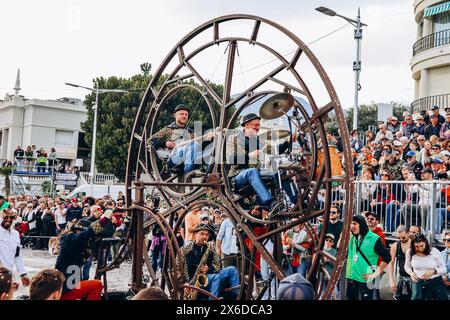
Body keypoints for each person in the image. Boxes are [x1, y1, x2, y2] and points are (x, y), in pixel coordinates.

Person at [226, 113, 297, 213]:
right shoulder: (234, 138)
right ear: (246, 125)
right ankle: (271, 203)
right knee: (252, 171)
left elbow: (274, 150)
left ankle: (296, 200)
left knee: (278, 171)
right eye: (255, 125)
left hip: (255, 174)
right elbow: (230, 159)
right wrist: (250, 155)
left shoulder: (258, 140)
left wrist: (288, 142)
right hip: (237, 176)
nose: (257, 127)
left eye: (258, 125)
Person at [55, 214, 112, 300]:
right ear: (77, 230)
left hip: (72, 276)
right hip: (66, 283)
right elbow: (88, 232)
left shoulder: (76, 241)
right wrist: (105, 219)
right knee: (97, 285)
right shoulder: (69, 239)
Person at [176, 224, 240, 300]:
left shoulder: (211, 248)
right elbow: (177, 269)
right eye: (202, 234)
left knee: (232, 269)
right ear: (195, 234)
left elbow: (217, 265)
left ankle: (236, 296)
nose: (204, 237)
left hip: (211, 275)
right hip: (194, 281)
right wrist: (185, 283)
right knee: (216, 277)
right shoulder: (184, 250)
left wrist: (208, 268)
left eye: (206, 235)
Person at [149, 104, 214, 174]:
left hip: (188, 157)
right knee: (194, 145)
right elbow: (150, 141)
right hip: (173, 159)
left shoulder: (190, 132)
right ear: (175, 115)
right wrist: (165, 143)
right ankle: (188, 173)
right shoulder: (168, 129)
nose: (184, 116)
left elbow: (199, 146)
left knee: (210, 151)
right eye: (181, 114)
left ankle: (208, 173)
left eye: (186, 114)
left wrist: (208, 139)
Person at [345, 215, 391, 300]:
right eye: (351, 224)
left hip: (366, 280)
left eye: (354, 223)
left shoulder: (374, 238)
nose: (352, 226)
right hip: (351, 278)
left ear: (361, 225)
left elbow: (387, 257)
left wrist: (375, 274)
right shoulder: (352, 238)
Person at [404, 233, 448, 300]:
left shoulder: (434, 251)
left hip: (435, 283)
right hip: (418, 283)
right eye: (416, 246)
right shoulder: (409, 252)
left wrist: (433, 271)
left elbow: (444, 269)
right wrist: (411, 273)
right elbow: (407, 266)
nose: (419, 248)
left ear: (426, 243)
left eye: (422, 246)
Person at [0, 209, 30, 288]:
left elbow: (17, 255)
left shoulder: (15, 234)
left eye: (11, 217)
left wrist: (23, 274)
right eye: (5, 217)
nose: (9, 220)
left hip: (9, 274)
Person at [388, 225, 412, 300]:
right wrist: (391, 280)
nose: (401, 239)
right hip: (402, 278)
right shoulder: (395, 246)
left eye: (403, 237)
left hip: (414, 278)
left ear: (408, 233)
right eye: (399, 238)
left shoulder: (415, 244)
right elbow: (390, 264)